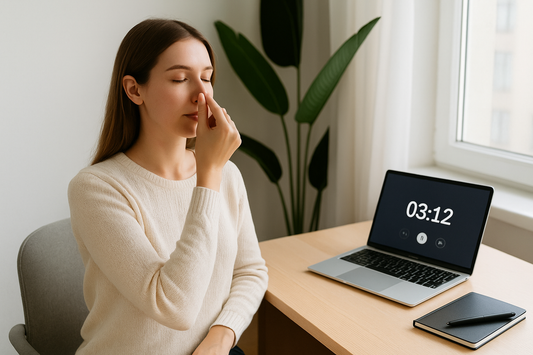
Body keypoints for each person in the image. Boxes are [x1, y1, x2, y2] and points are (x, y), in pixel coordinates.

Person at [68, 18, 268, 355]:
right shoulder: (96, 189)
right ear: (134, 90)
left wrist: (221, 337)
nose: (202, 94)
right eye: (180, 79)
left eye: (207, 78)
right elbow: (175, 306)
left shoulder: (226, 175)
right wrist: (208, 176)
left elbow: (251, 270)